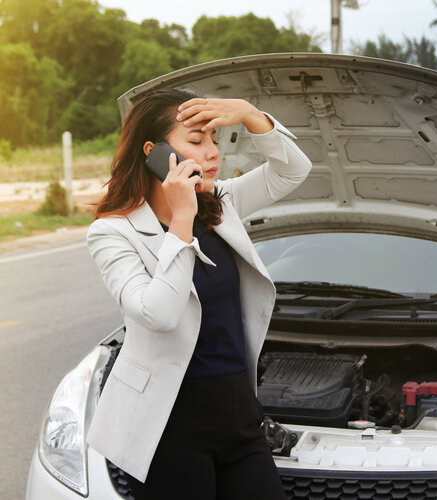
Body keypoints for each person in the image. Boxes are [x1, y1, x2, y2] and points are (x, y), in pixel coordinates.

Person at [86, 88, 312, 499]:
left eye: (214, 140)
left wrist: (248, 115)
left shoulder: (221, 202)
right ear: (153, 152)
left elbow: (293, 171)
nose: (212, 154)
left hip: (238, 415)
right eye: (195, 142)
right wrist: (182, 221)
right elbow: (159, 314)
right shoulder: (112, 233)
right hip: (168, 426)